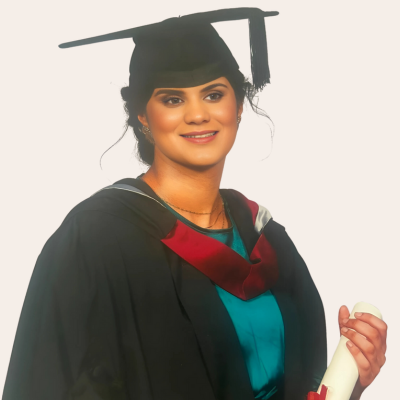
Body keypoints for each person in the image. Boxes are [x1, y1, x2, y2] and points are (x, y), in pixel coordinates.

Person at [2, 8, 387, 400]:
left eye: (214, 94)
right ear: (142, 117)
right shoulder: (95, 241)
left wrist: (351, 381)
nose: (198, 114)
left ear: (238, 105)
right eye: (172, 99)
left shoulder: (265, 237)